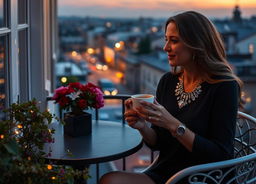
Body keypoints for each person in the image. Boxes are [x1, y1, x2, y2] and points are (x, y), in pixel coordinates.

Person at [99, 11, 241, 184]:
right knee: (109, 179)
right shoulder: (168, 81)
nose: (165, 47)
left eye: (173, 41)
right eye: (166, 39)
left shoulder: (224, 86)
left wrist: (173, 124)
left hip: (203, 178)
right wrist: (143, 127)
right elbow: (158, 142)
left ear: (197, 44)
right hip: (166, 174)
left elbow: (221, 155)